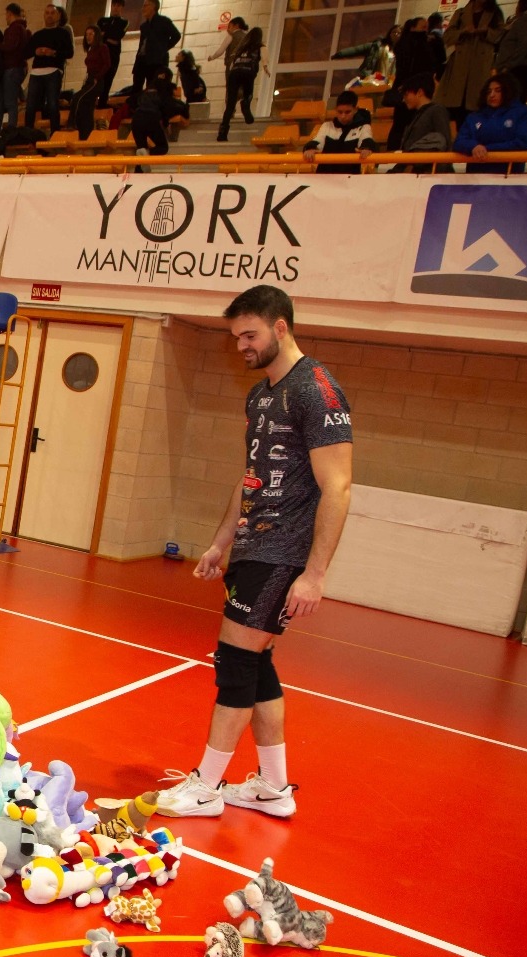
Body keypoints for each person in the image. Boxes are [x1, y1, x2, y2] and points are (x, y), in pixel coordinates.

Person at [156, 285, 353, 822]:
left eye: (250, 335)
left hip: (282, 553)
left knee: (236, 662)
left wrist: (314, 574)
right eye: (236, 337)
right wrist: (221, 542)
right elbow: (250, 477)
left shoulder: (316, 391)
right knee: (257, 663)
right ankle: (272, 786)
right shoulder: (261, 395)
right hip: (251, 546)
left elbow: (337, 487)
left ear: (280, 327)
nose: (241, 346)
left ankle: (206, 787)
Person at [454, 71, 527, 172]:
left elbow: (522, 143)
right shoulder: (473, 117)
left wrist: (484, 149)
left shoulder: (523, 113)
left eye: (498, 90)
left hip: (510, 175)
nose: (492, 95)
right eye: (489, 92)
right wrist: (473, 146)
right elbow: (458, 142)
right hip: (476, 176)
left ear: (509, 91)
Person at [438, 0, 504, 123]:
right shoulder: (460, 13)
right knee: (457, 109)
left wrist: (487, 31)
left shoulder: (495, 13)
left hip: (481, 65)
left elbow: (501, 36)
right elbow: (447, 36)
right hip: (460, 66)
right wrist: (462, 32)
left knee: (476, 107)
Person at [387, 17, 438, 148]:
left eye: (427, 28)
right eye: (423, 27)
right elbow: (435, 62)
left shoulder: (401, 44)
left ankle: (392, 153)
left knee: (399, 125)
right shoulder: (422, 44)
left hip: (403, 87)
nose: (426, 30)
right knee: (411, 124)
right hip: (415, 89)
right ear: (413, 27)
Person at [216, 18, 265, 142]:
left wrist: (229, 71)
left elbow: (231, 58)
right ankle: (245, 104)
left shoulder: (241, 47)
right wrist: (266, 67)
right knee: (248, 93)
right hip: (248, 72)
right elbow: (266, 57)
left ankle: (222, 132)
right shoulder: (260, 46)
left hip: (234, 73)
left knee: (230, 104)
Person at [302, 90, 376, 173]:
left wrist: (366, 148)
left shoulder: (363, 127)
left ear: (355, 110)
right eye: (340, 112)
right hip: (325, 175)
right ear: (335, 109)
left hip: (350, 177)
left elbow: (366, 139)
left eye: (347, 112)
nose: (343, 116)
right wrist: (311, 148)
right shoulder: (327, 126)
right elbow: (318, 140)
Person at [26, 5, 72, 133]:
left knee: (53, 104)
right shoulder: (37, 35)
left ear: (57, 16)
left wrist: (54, 53)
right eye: (47, 13)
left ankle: (54, 133)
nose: (49, 15)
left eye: (52, 13)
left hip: (53, 70)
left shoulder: (63, 33)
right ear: (44, 15)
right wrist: (35, 51)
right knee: (30, 106)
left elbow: (70, 52)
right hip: (36, 72)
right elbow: (26, 52)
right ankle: (27, 134)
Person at [395, 72, 453, 170]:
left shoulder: (437, 110)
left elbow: (444, 144)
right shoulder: (418, 114)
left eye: (406, 94)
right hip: (415, 170)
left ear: (419, 92)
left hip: (430, 172)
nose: (403, 100)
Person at [495, 0, 527, 106]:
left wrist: (508, 67)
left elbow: (525, 44)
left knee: (510, 105)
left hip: (518, 70)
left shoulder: (526, 19)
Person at [130, 68, 184, 166]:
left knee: (141, 149)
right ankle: (148, 153)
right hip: (151, 117)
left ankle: (139, 170)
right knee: (163, 147)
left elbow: (131, 101)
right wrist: (166, 123)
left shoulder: (147, 89)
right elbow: (166, 107)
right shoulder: (166, 88)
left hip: (136, 118)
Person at [0, 3, 30, 134]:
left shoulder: (15, 28)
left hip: (12, 68)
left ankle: (9, 131)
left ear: (10, 14)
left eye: (6, 15)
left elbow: (10, 46)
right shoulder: (24, 29)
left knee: (9, 103)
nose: (5, 18)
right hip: (13, 69)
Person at [132, 0, 181, 94]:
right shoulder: (144, 26)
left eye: (145, 6)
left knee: (153, 88)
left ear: (153, 6)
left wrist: (163, 49)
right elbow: (142, 44)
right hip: (141, 61)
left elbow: (176, 35)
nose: (142, 9)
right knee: (136, 88)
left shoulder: (164, 21)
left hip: (156, 62)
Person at [332, 24, 399, 82]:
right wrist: (339, 54)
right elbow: (356, 50)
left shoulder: (401, 53)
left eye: (399, 33)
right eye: (394, 32)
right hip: (372, 79)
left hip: (389, 82)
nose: (396, 34)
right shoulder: (376, 46)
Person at [77, 25, 111, 135]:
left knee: (80, 98)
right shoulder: (90, 49)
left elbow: (107, 64)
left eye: (91, 34)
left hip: (96, 78)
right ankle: (84, 132)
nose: (88, 37)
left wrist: (97, 77)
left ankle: (77, 126)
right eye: (86, 34)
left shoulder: (102, 47)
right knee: (87, 106)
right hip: (89, 78)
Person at [97, 0, 129, 99]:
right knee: (96, 82)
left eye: (118, 6)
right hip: (99, 56)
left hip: (113, 56)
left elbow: (117, 36)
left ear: (122, 7)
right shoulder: (102, 20)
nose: (115, 8)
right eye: (114, 5)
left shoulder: (124, 22)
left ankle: (102, 104)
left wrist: (105, 35)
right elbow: (97, 37)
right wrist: (107, 37)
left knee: (107, 83)